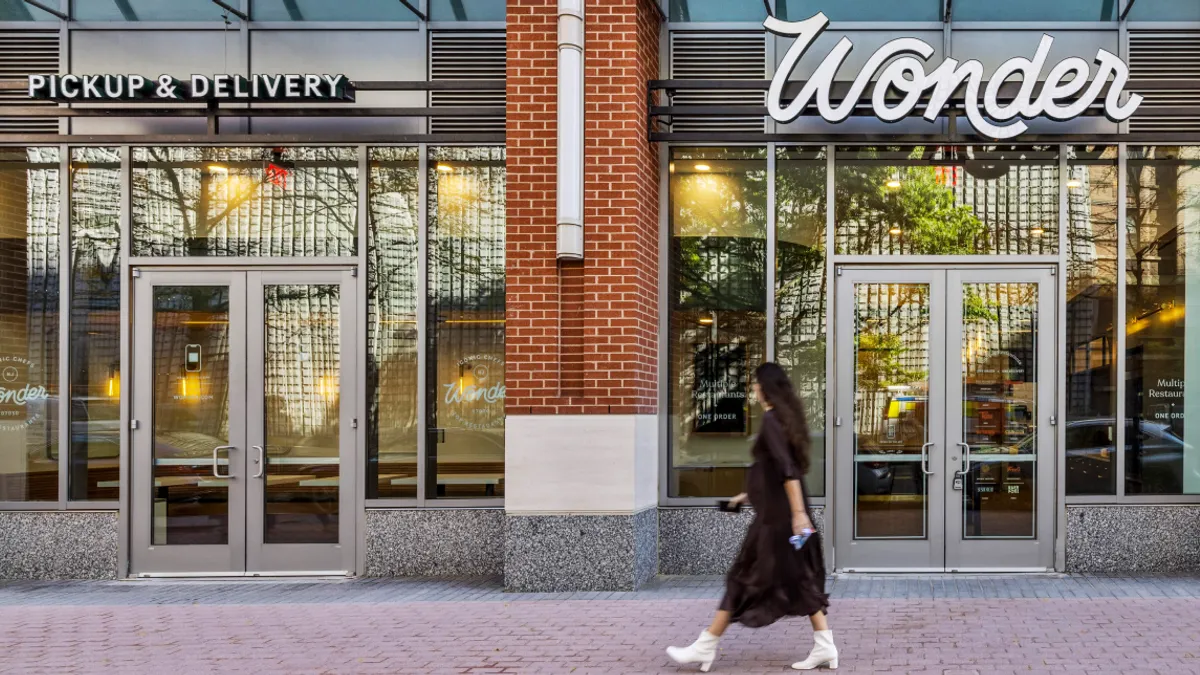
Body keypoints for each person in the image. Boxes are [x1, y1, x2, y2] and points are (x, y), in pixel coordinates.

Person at [666, 362, 836, 672]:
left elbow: (788, 472)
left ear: (765, 387)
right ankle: (825, 646)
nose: (753, 389)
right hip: (785, 518)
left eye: (756, 384)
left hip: (779, 523)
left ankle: (705, 646)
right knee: (799, 578)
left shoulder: (772, 420)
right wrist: (747, 496)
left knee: (743, 578)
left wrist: (798, 515)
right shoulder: (786, 419)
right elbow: (775, 472)